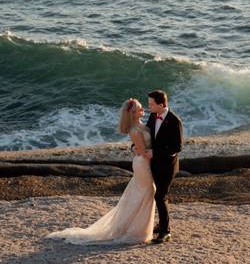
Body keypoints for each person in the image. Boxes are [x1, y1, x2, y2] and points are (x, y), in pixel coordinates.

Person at [46, 98, 156, 244]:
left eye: (142, 107)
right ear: (133, 113)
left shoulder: (142, 125)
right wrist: (158, 152)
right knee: (147, 192)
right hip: (143, 164)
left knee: (143, 194)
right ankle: (138, 231)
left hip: (146, 163)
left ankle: (137, 227)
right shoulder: (134, 130)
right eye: (139, 108)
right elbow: (142, 151)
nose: (143, 109)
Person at [145, 89, 183, 244]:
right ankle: (161, 224)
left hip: (168, 165)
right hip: (153, 164)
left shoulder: (174, 121)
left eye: (151, 104)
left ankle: (165, 231)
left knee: (160, 196)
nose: (149, 107)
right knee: (156, 195)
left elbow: (177, 147)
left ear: (161, 104)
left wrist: (155, 153)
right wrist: (136, 146)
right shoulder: (154, 116)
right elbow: (147, 135)